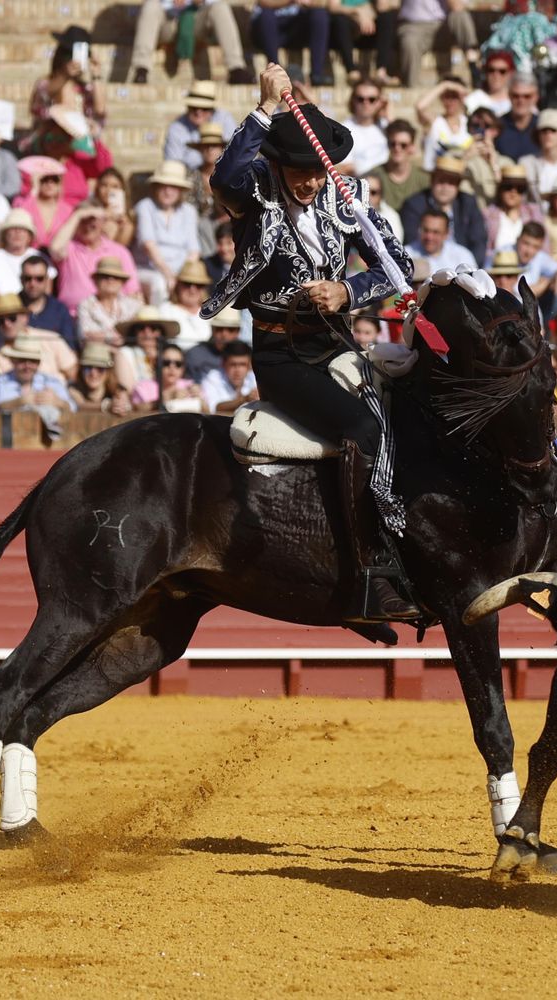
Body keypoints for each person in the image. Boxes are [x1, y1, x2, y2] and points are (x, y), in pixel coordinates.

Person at [205, 64, 419, 621]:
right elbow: (224, 175)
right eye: (296, 170)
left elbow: (398, 265)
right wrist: (264, 108)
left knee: (410, 414)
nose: (308, 182)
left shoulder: (344, 197)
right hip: (282, 355)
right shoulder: (253, 191)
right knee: (364, 427)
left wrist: (348, 290)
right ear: (276, 163)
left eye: (314, 171)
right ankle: (370, 571)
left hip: (338, 345)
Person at [133, 0, 255, 85]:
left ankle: (236, 68)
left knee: (220, 7)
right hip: (168, 21)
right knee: (150, 5)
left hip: (196, 19)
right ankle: (141, 68)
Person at [50, 203, 142, 313]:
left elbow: (133, 292)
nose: (87, 226)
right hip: (74, 315)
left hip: (111, 314)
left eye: (93, 221)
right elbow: (55, 249)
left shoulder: (119, 251)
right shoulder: (69, 248)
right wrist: (78, 215)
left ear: (103, 222)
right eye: (83, 221)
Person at [400, 157, 487, 267]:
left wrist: (468, 267)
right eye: (441, 181)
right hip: (423, 265)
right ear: (432, 181)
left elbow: (478, 241)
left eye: (451, 183)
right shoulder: (414, 205)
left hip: (460, 265)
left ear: (458, 186)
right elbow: (414, 240)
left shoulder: (468, 203)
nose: (445, 187)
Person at [30, 28, 108, 147]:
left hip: (79, 146)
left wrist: (96, 75)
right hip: (51, 146)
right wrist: (65, 75)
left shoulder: (85, 88)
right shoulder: (45, 83)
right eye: (70, 54)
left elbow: (100, 110)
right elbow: (44, 96)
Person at [136, 161, 202, 290]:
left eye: (173, 187)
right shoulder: (145, 206)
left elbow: (193, 251)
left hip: (181, 271)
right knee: (159, 283)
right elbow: (149, 245)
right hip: (149, 269)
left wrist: (184, 275)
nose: (168, 191)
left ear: (180, 190)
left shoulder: (189, 211)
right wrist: (168, 274)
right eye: (163, 186)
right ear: (156, 188)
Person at [251, 0, 336, 86]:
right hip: (270, 28)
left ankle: (317, 74)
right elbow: (263, 2)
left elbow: (324, 3)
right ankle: (275, 72)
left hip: (297, 27)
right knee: (266, 15)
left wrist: (309, 3)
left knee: (319, 14)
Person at [397, 0, 480, 87]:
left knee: (461, 16)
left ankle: (474, 66)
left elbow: (457, 6)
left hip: (442, 25)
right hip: (413, 26)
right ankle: (411, 87)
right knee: (409, 42)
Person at [77, 255, 144, 352]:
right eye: (105, 277)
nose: (110, 280)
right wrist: (118, 337)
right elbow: (85, 337)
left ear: (122, 282)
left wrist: (101, 336)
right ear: (96, 281)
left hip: (127, 358)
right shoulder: (85, 305)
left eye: (116, 277)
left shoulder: (134, 305)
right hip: (96, 357)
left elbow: (137, 337)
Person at [366, 120, 431, 212]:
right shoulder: (372, 176)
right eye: (393, 144)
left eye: (403, 145)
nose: (397, 148)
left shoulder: (424, 179)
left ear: (412, 147)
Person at [414, 78, 474, 173]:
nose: (449, 101)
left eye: (454, 97)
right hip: (434, 176)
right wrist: (445, 85)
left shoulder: (470, 123)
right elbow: (420, 106)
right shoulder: (435, 122)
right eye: (446, 96)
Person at [19, 254, 77, 348]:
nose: (33, 283)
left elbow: (70, 349)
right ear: (21, 279)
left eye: (39, 279)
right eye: (28, 278)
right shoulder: (11, 308)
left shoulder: (60, 310)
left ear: (47, 280)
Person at [15, 157, 74, 247]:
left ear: (60, 184)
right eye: (44, 179)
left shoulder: (68, 209)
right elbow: (19, 218)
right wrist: (34, 190)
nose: (50, 183)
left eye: (54, 179)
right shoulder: (21, 202)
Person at [0, 212, 42, 299]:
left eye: (22, 229)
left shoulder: (39, 257)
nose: (17, 232)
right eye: (13, 228)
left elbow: (46, 298)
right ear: (5, 234)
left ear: (29, 236)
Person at [340, 80, 392, 178]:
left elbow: (406, 148)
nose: (366, 103)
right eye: (360, 99)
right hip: (360, 185)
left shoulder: (386, 126)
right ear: (353, 101)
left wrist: (388, 115)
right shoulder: (344, 130)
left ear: (379, 102)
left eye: (372, 99)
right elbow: (346, 168)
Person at [159, 259, 215, 348]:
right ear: (178, 285)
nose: (192, 289)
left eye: (198, 285)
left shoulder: (212, 311)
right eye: (187, 284)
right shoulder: (166, 310)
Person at [183, 297, 241, 381]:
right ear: (212, 329)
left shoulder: (247, 356)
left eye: (230, 330)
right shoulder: (194, 355)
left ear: (238, 332)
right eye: (219, 329)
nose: (224, 334)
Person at [67, 341, 132, 414]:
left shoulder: (118, 390)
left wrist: (122, 405)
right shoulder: (73, 389)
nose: (93, 373)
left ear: (108, 372)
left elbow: (126, 404)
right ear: (81, 370)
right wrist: (107, 406)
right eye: (88, 367)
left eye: (100, 369)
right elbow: (80, 405)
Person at [408, 207, 478, 273]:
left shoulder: (463, 257)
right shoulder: (407, 255)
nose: (429, 237)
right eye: (426, 230)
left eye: (435, 232)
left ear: (447, 233)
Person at [200, 338, 259, 414]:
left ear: (250, 365)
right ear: (223, 364)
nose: (237, 370)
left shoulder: (255, 378)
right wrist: (245, 399)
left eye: (242, 365)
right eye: (233, 364)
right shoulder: (212, 378)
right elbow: (214, 408)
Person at [496, 73, 541, 161]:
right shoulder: (497, 126)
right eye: (516, 96)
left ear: (536, 97)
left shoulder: (543, 126)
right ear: (509, 95)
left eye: (527, 96)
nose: (521, 101)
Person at [467, 50, 516, 115]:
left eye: (502, 71)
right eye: (491, 70)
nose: (496, 75)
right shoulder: (474, 99)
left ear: (511, 74)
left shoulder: (520, 101)